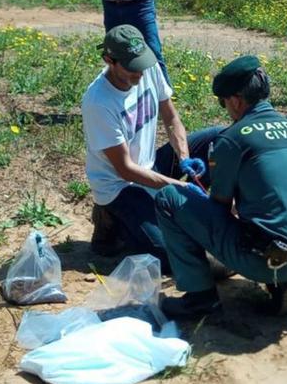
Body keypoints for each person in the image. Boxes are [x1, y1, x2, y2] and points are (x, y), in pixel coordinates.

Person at [155, 56, 287, 319]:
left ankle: (199, 298)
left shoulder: (232, 139)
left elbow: (219, 208)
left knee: (169, 198)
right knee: (277, 215)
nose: (226, 109)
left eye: (224, 102)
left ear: (236, 100)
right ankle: (283, 283)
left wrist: (194, 193)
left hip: (263, 259)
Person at [82, 25, 205, 270]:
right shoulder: (99, 102)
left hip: (149, 164)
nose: (139, 73)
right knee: (171, 257)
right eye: (131, 67)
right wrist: (182, 186)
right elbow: (126, 169)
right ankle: (111, 218)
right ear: (109, 60)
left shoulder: (147, 67)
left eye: (142, 64)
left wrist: (184, 159)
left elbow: (170, 117)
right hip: (121, 185)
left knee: (218, 139)